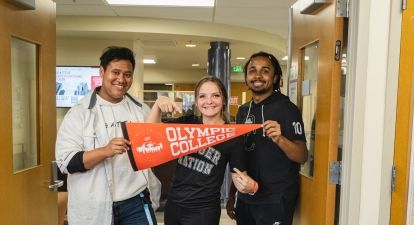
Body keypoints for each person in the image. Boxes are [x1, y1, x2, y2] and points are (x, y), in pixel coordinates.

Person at [55, 46, 160, 225]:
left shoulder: (141, 110)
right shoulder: (79, 113)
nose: (121, 79)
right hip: (94, 204)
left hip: (136, 201)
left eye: (127, 74)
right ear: (102, 71)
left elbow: (155, 148)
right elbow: (67, 163)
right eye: (116, 72)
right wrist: (105, 151)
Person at [146, 75, 258, 225]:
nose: (209, 101)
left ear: (224, 100)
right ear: (197, 102)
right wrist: (157, 104)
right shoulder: (187, 123)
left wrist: (251, 186)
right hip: (174, 205)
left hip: (203, 211)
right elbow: (149, 135)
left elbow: (240, 179)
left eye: (216, 95)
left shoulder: (232, 135)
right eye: (203, 96)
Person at [226, 51, 308, 225]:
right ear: (247, 78)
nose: (257, 75)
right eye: (252, 70)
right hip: (247, 198)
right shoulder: (243, 110)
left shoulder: (287, 109)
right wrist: (233, 193)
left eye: (265, 71)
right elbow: (239, 156)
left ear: (275, 77)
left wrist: (280, 139)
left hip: (276, 199)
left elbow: (302, 155)